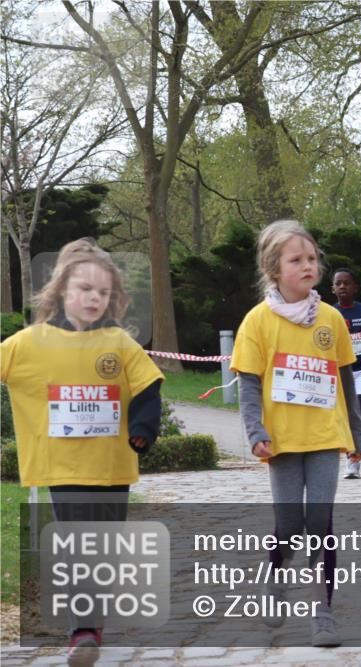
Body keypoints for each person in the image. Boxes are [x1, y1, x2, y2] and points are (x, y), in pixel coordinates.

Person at [1, 238, 163, 667]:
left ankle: (93, 622)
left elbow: (149, 385)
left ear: (113, 298)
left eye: (103, 292)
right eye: (84, 289)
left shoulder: (119, 342)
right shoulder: (29, 343)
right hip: (63, 467)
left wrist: (143, 429)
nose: (93, 298)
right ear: (60, 290)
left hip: (112, 466)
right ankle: (82, 631)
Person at [229, 221, 361, 647]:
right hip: (281, 442)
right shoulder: (257, 322)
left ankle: (322, 614)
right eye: (296, 260)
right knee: (288, 526)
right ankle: (274, 576)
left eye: (311, 259)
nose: (308, 266)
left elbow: (346, 380)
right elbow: (248, 384)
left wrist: (357, 437)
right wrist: (255, 431)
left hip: (324, 437)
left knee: (320, 523)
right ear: (274, 268)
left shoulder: (331, 319)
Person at [332, 268, 361, 478]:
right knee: (348, 416)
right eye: (338, 283)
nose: (342, 286)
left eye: (347, 283)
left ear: (355, 287)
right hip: (341, 372)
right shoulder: (330, 314)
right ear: (333, 288)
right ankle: (352, 460)